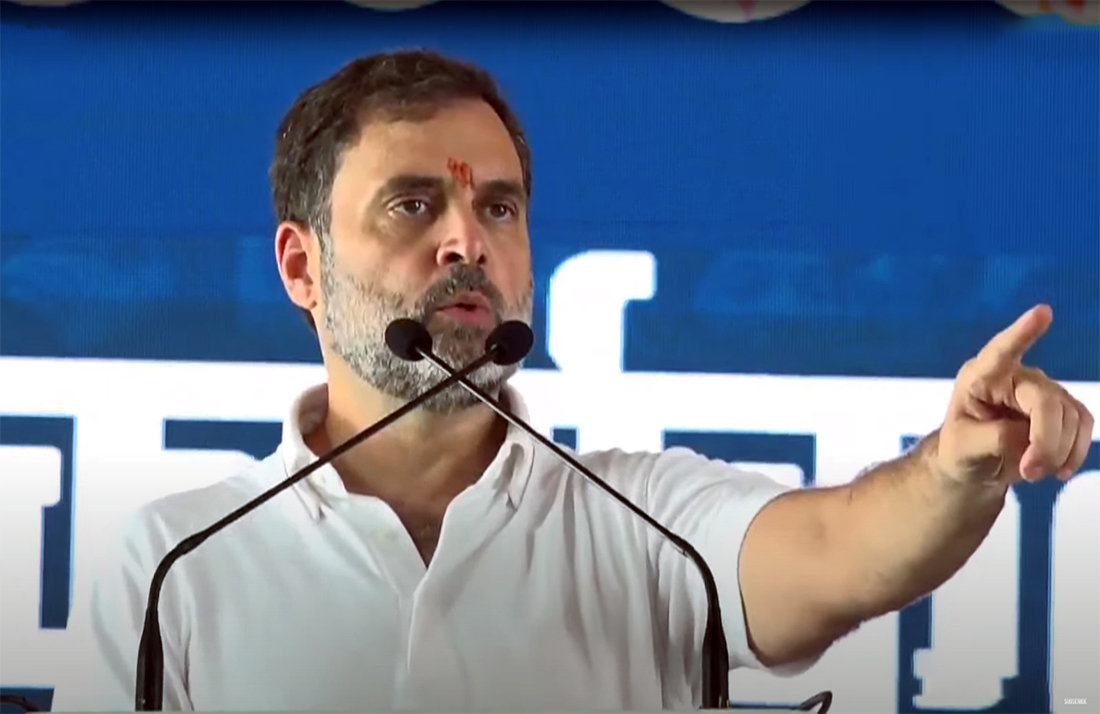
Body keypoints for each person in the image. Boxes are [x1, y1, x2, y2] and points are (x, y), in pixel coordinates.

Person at [54, 49, 1094, 712]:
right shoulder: (170, 564)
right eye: (413, 206)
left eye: (498, 209)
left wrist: (956, 467)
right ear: (301, 267)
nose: (467, 241)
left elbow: (841, 554)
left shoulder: (646, 522)